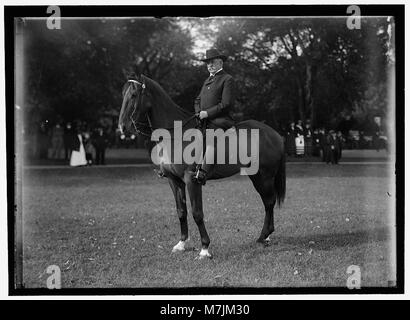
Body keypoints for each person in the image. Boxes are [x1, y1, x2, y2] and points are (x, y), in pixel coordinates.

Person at [192, 48, 236, 185]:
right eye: (208, 63)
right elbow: (198, 100)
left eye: (212, 62)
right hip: (204, 119)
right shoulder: (207, 80)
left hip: (220, 120)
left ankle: (202, 172)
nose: (209, 65)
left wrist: (207, 113)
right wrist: (199, 112)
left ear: (221, 63)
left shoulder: (227, 79)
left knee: (211, 137)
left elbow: (226, 103)